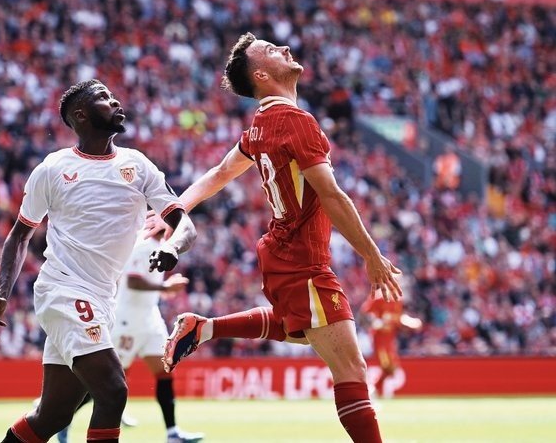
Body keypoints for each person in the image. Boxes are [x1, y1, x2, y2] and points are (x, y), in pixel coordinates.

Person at [147, 33, 402, 443]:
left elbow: (219, 174)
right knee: (352, 371)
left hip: (282, 253)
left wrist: (175, 210)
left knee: (295, 327)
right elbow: (332, 196)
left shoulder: (262, 125)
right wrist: (371, 255)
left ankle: (204, 328)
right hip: (303, 261)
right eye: (269, 50)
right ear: (262, 75)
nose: (283, 48)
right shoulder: (295, 123)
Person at [0, 79, 196, 443]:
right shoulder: (53, 169)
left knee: (51, 415)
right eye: (104, 99)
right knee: (113, 390)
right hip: (63, 291)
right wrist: (3, 292)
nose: (115, 101)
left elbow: (184, 223)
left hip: (102, 299)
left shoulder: (137, 166)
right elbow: (20, 234)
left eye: (113, 96)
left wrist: (174, 247)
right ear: (80, 115)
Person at [54, 232, 204, 443]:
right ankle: (63, 418)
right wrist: (164, 287)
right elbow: (133, 281)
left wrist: (162, 290)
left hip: (150, 319)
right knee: (110, 381)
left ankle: (172, 433)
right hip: (128, 322)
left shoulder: (158, 245)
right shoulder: (144, 247)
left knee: (164, 371)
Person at [361, 290, 422, 398]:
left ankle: (372, 391)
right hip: (379, 338)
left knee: (391, 369)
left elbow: (397, 318)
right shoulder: (378, 297)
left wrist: (410, 322)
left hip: (390, 339)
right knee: (388, 366)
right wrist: (375, 322)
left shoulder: (398, 299)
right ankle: (370, 392)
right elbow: (365, 314)